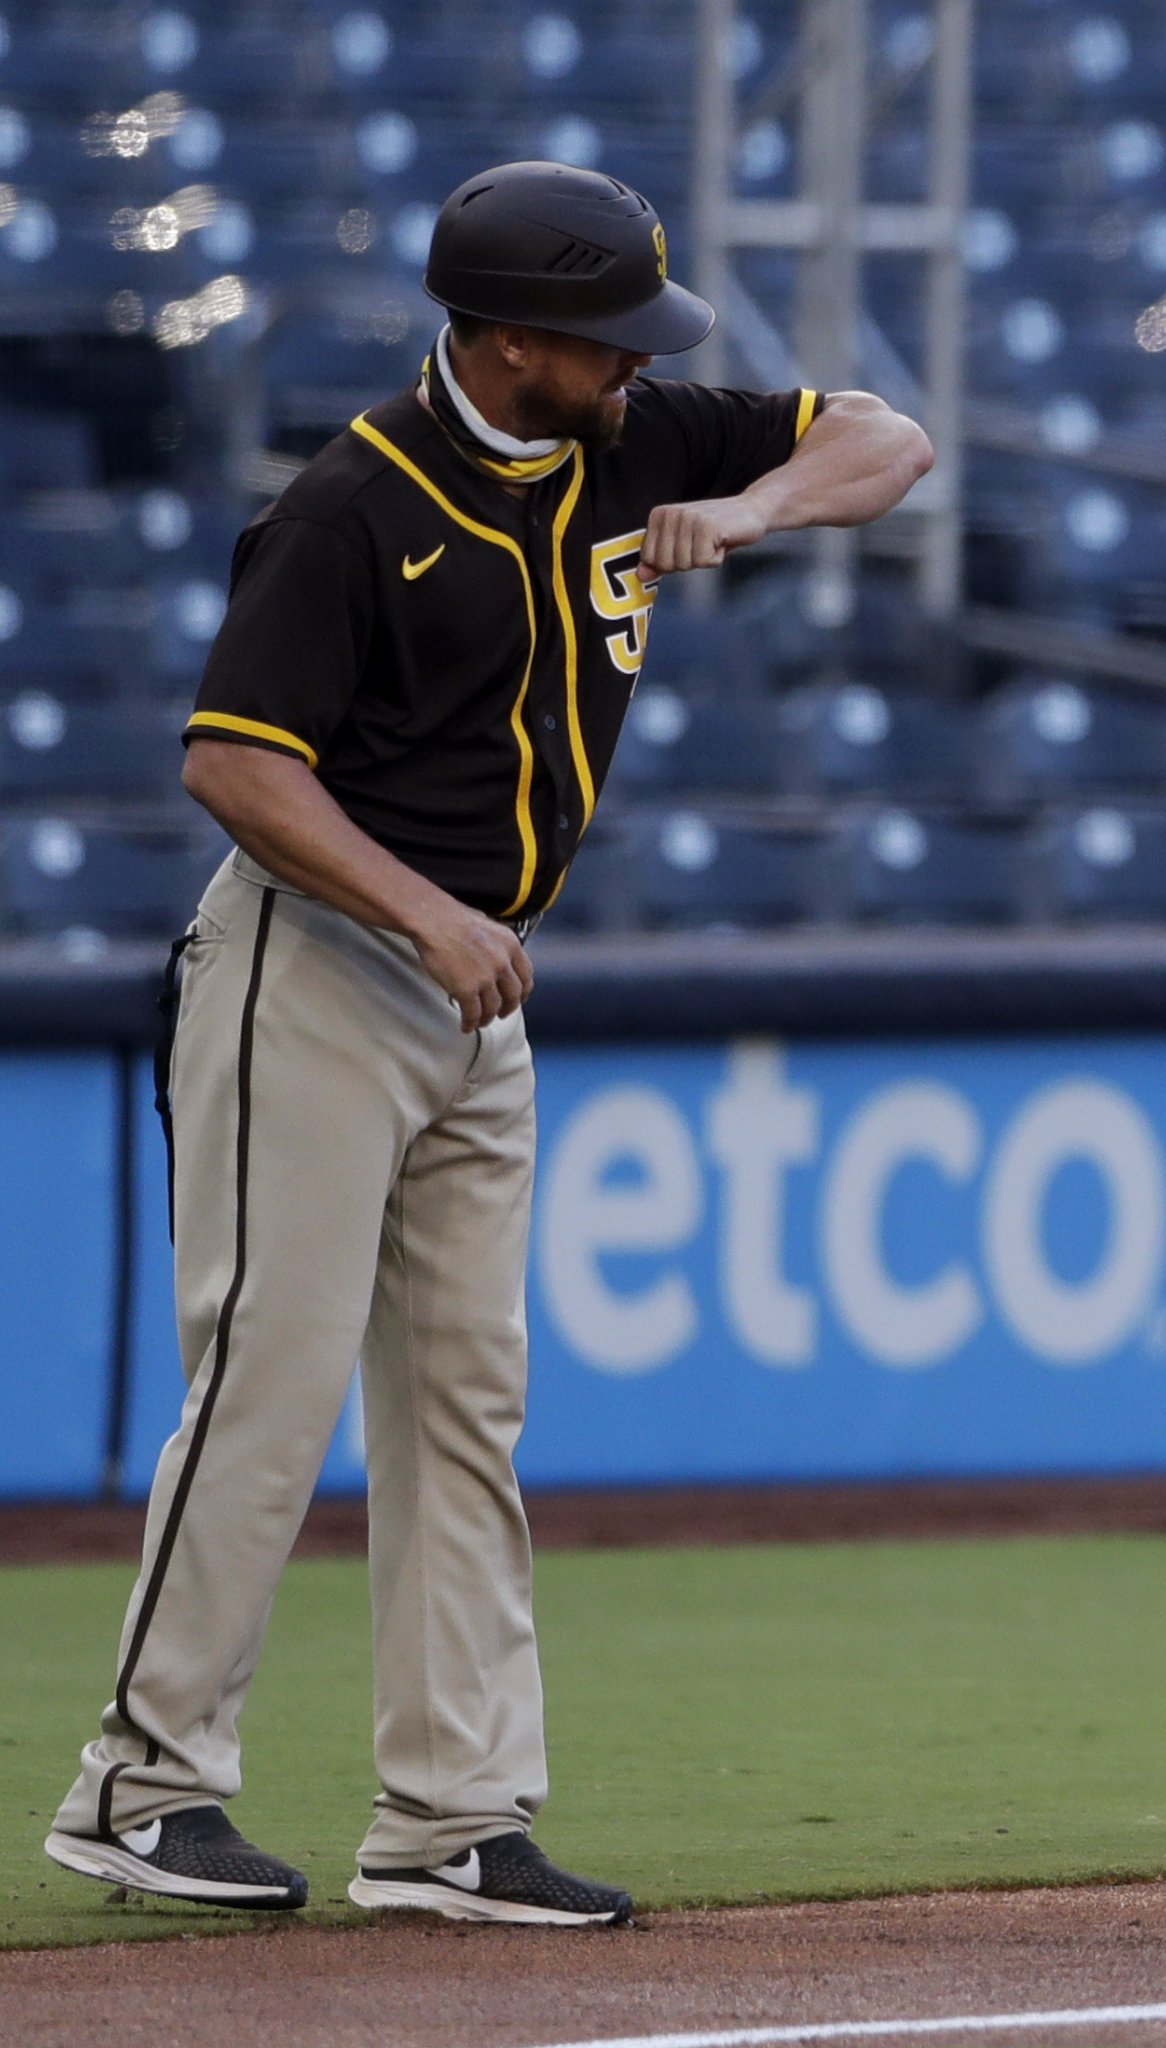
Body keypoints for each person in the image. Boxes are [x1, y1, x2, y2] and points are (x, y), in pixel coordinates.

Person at [43, 161, 933, 1926]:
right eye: (608, 342)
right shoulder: (352, 507)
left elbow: (890, 439)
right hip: (315, 965)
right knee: (268, 1384)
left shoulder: (633, 436)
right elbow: (233, 763)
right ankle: (138, 1788)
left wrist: (750, 510)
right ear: (511, 337)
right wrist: (427, 914)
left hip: (478, 985)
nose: (638, 367)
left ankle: (449, 1820)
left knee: (466, 1406)